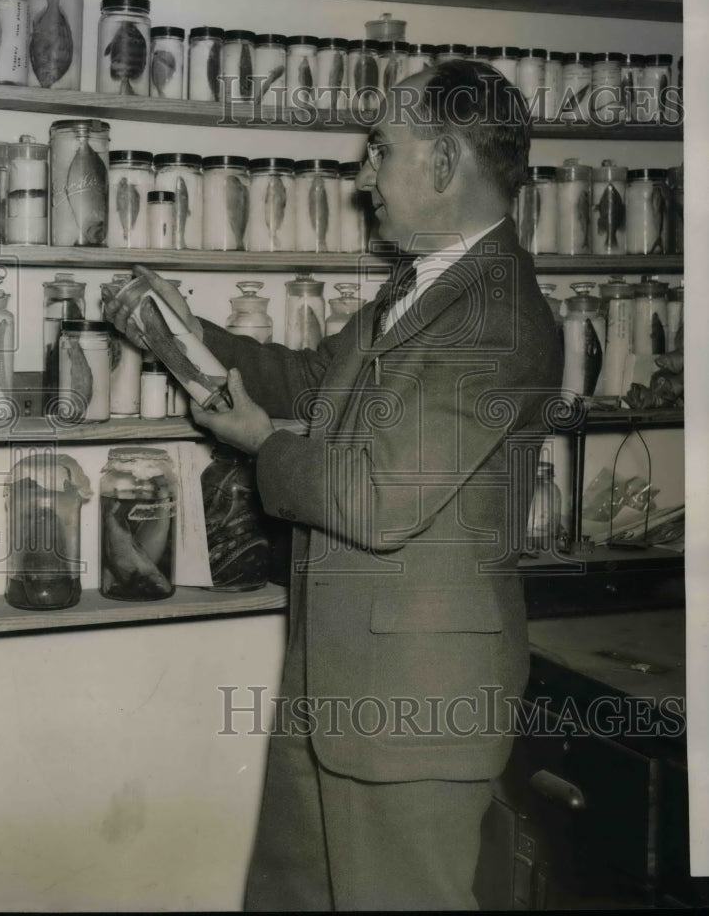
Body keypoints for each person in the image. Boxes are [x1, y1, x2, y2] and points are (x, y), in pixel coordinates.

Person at [106, 60, 562, 911]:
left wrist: (257, 445)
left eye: (377, 150)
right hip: (341, 684)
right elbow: (311, 379)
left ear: (442, 160)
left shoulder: (495, 314)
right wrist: (182, 330)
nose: (362, 178)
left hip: (415, 708)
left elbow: (379, 496)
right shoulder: (424, 286)